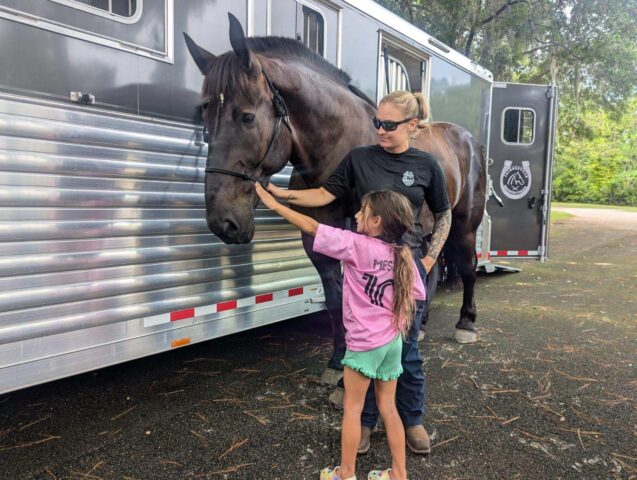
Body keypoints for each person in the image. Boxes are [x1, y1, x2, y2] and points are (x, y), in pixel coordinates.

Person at [266, 90, 452, 455]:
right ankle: (365, 424)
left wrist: (428, 260)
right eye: (377, 123)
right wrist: (278, 194)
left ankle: (412, 419)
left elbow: (443, 213)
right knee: (365, 348)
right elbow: (323, 195)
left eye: (388, 124)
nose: (380, 130)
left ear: (412, 126)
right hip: (369, 270)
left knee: (407, 350)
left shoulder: (427, 165)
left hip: (406, 271)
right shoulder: (359, 159)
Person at [255, 183, 424, 480]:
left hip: (363, 344)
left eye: (364, 211)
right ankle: (398, 474)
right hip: (392, 342)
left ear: (377, 222)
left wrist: (276, 206)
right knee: (389, 408)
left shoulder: (355, 245)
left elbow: (311, 225)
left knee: (353, 409)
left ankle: (345, 474)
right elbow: (418, 294)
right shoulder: (403, 255)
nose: (357, 215)